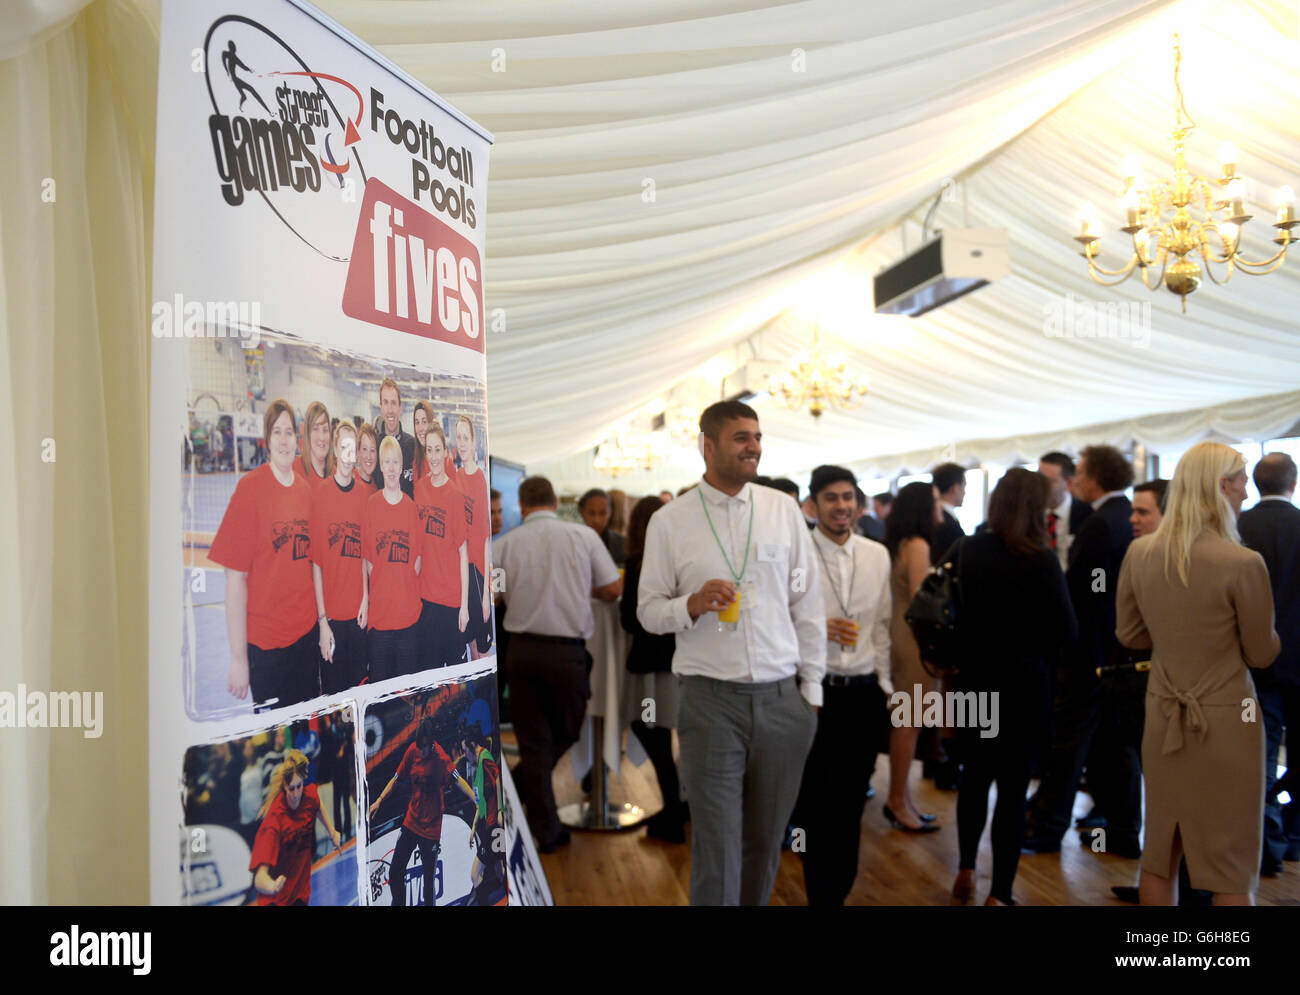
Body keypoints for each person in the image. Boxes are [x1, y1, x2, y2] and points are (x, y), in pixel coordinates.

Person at [638, 400, 824, 905]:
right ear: (708, 443)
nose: (754, 447)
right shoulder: (670, 521)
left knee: (766, 844)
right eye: (742, 437)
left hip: (783, 701)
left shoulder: (782, 509)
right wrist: (691, 605)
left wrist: (811, 690)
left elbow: (807, 603)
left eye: (758, 437)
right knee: (717, 845)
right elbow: (648, 612)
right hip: (709, 702)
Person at [1117, 442, 1280, 904]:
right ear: (1223, 485)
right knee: (1231, 863)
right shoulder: (1243, 563)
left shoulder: (1142, 554)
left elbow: (1129, 635)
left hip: (1164, 711)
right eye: (1243, 482)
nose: (1246, 494)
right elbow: (1262, 653)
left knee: (1160, 851)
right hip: (1231, 719)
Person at [949, 469, 1077, 906]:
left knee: (974, 778)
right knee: (1011, 791)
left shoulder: (969, 548)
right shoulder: (1039, 557)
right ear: (1035, 508)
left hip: (974, 682)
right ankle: (1000, 893)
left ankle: (966, 868)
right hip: (1024, 687)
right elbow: (1067, 629)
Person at [492, 475, 622, 851]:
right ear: (554, 501)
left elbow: (493, 599)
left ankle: (538, 819)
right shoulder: (582, 537)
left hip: (523, 653)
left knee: (534, 742)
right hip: (566, 653)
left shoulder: (504, 545)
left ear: (523, 504)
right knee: (566, 732)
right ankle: (541, 823)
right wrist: (582, 589)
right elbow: (614, 589)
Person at [1025, 444, 1135, 854]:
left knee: (1069, 742)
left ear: (1094, 477)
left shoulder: (1101, 523)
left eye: (1081, 472)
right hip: (1114, 649)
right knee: (1113, 744)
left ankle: (1049, 827)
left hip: (1090, 649)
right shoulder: (1122, 517)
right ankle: (1119, 830)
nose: (1076, 480)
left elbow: (1091, 590)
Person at [793, 465, 893, 905]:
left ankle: (838, 892)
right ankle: (820, 894)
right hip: (813, 693)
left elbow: (882, 626)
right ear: (813, 505)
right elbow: (773, 624)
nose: (841, 506)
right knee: (816, 802)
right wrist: (814, 627)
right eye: (831, 498)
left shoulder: (877, 554)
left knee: (853, 800)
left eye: (848, 497)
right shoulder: (796, 554)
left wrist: (886, 686)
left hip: (864, 691)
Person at [210, 399, 318, 711]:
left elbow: (309, 566)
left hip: (305, 639)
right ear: (266, 440)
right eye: (277, 432)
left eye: (288, 432)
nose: (284, 440)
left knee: (305, 739)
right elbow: (235, 580)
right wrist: (238, 659)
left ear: (297, 440)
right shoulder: (250, 490)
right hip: (266, 649)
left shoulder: (305, 491)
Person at [1237, 453, 1300, 872]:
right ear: (1293, 483)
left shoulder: (1237, 528)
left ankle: (1266, 847)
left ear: (1256, 484)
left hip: (1255, 661)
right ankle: (1294, 837)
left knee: (1259, 755)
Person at [620, 495, 685, 843]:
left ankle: (674, 810)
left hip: (649, 665)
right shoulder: (677, 560)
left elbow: (630, 619)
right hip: (677, 662)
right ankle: (678, 807)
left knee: (651, 730)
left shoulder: (638, 561)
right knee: (669, 734)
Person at [882, 481, 943, 832]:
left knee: (908, 723)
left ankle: (903, 799)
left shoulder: (900, 543)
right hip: (915, 642)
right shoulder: (918, 544)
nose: (940, 509)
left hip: (902, 637)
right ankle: (897, 801)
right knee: (909, 724)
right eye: (935, 502)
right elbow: (925, 601)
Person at [369, 717, 477, 906]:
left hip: (431, 829)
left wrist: (476, 801)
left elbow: (459, 781)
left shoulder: (441, 759)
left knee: (428, 887)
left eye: (425, 747)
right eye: (420, 746)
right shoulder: (413, 750)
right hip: (411, 822)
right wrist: (379, 800)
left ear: (432, 743)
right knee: (395, 873)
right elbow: (396, 779)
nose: (422, 750)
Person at [310, 421, 370, 694]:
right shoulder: (321, 495)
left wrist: (366, 600)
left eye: (352, 448)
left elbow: (365, 558)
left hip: (357, 617)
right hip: (332, 620)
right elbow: (317, 565)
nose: (348, 455)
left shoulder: (363, 497)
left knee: (359, 695)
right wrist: (323, 622)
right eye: (343, 447)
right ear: (335, 450)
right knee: (334, 701)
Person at [363, 436, 421, 681]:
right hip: (380, 620)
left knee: (405, 695)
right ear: (381, 466)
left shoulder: (410, 508)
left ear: (401, 467)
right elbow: (368, 563)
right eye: (385, 462)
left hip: (407, 617)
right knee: (381, 693)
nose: (390, 467)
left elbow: (416, 562)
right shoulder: (371, 505)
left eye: (394, 462)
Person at [250, 750, 341, 906]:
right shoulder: (275, 821)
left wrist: (332, 831)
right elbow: (259, 879)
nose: (296, 793)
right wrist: (273, 886)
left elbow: (318, 805)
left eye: (299, 786)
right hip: (276, 899)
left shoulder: (308, 796)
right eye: (292, 788)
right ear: (285, 786)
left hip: (299, 892)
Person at [413, 425, 470, 669]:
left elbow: (463, 552)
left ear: (446, 452)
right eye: (429, 450)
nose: (433, 456)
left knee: (453, 681)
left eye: (438, 450)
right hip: (425, 599)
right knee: (428, 672)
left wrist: (464, 606)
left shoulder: (455, 495)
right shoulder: (419, 489)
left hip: (450, 601)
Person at [454, 415, 494, 655]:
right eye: (458, 437)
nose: (461, 443)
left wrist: (486, 595)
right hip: (461, 573)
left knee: (482, 649)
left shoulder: (480, 479)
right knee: (469, 645)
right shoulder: (455, 478)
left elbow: (487, 538)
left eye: (465, 437)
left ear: (474, 441)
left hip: (478, 573)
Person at [1039, 451, 1093, 571]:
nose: (1041, 486)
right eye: (1039, 479)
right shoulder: (1030, 513)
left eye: (1049, 482)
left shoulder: (1087, 514)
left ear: (1068, 483)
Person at [375, 377, 416, 499]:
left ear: (400, 407)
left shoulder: (412, 446)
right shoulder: (374, 446)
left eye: (393, 403)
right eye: (385, 402)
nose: (390, 410)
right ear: (381, 406)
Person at [930, 462, 967, 565]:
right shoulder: (945, 521)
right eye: (964, 487)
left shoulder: (934, 515)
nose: (965, 492)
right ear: (955, 488)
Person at [578, 488, 626, 566]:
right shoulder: (574, 542)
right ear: (581, 511)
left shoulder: (622, 544)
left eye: (603, 513)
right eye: (591, 513)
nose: (597, 520)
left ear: (610, 512)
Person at [295, 400, 332, 487]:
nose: (321, 437)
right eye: (315, 429)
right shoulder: (294, 471)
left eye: (325, 430)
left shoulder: (335, 474)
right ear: (308, 434)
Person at [355, 423, 382, 491]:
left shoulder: (375, 488)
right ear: (358, 452)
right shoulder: (349, 481)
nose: (369, 456)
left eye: (372, 450)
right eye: (364, 449)